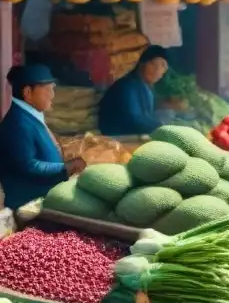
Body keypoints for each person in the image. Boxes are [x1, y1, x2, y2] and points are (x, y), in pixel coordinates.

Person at [0, 65, 85, 209]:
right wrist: (65, 168)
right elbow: (29, 165)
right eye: (47, 89)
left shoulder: (29, 116)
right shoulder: (18, 123)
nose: (52, 95)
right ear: (28, 92)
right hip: (28, 206)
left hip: (43, 200)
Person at [98, 45, 169, 136]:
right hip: (117, 139)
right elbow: (134, 119)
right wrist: (161, 126)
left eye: (163, 67)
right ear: (143, 63)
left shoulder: (145, 88)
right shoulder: (127, 86)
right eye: (153, 64)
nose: (159, 71)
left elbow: (146, 117)